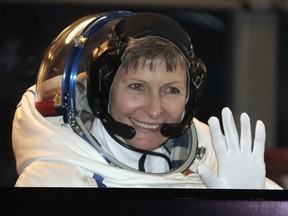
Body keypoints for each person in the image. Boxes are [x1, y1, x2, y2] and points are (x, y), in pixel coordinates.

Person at [12, 10, 282, 189]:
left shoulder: (214, 168)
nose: (154, 110)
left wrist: (249, 205)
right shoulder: (54, 180)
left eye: (171, 90)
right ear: (102, 91)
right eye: (136, 86)